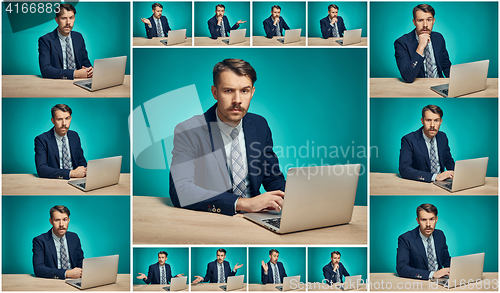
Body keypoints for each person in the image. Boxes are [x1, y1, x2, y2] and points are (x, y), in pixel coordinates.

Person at [169, 59, 286, 216]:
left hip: (256, 219)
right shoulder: (189, 131)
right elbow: (180, 190)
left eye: (244, 91)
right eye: (228, 91)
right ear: (215, 93)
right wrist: (242, 203)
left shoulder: (260, 125)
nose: (237, 100)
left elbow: (272, 177)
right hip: (212, 219)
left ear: (252, 92)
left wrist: (295, 200)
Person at [394, 4, 451, 83]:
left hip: (438, 85)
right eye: (420, 20)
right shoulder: (402, 43)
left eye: (429, 20)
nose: (425, 25)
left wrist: (455, 83)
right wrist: (420, 47)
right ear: (414, 22)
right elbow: (407, 77)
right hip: (417, 87)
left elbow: (446, 67)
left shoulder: (439, 38)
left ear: (433, 21)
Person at [399, 105, 454, 183]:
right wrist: (435, 177)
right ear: (422, 121)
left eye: (436, 120)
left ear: (440, 122)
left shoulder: (443, 137)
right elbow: (404, 169)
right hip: (420, 183)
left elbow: (449, 162)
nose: (432, 125)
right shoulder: (408, 140)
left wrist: (458, 174)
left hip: (441, 183)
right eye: (428, 120)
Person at [396, 204, 451, 280]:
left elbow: (446, 260)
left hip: (440, 280)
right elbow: (401, 268)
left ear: (436, 219)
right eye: (423, 220)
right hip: (418, 281)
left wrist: (454, 271)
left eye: (431, 219)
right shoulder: (405, 239)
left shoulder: (440, 235)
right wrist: (433, 274)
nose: (428, 224)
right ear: (418, 220)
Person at [38, 3, 93, 80]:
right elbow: (45, 70)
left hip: (79, 81)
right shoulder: (45, 40)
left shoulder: (78, 37)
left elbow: (85, 63)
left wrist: (90, 70)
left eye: (71, 18)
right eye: (64, 18)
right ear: (57, 20)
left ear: (74, 18)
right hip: (58, 82)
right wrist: (75, 73)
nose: (68, 22)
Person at [34, 104, 87, 180]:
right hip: (54, 181)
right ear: (53, 121)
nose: (64, 123)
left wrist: (86, 171)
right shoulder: (41, 140)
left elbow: (81, 161)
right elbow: (42, 170)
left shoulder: (74, 136)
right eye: (59, 119)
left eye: (67, 118)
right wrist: (71, 173)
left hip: (75, 180)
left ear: (70, 119)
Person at [32, 205, 84, 279]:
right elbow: (38, 269)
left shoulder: (74, 237)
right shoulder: (40, 241)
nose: (61, 224)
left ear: (68, 220)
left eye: (64, 220)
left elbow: (81, 262)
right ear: (51, 221)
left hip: (74, 280)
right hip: (52, 281)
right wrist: (67, 273)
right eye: (57, 220)